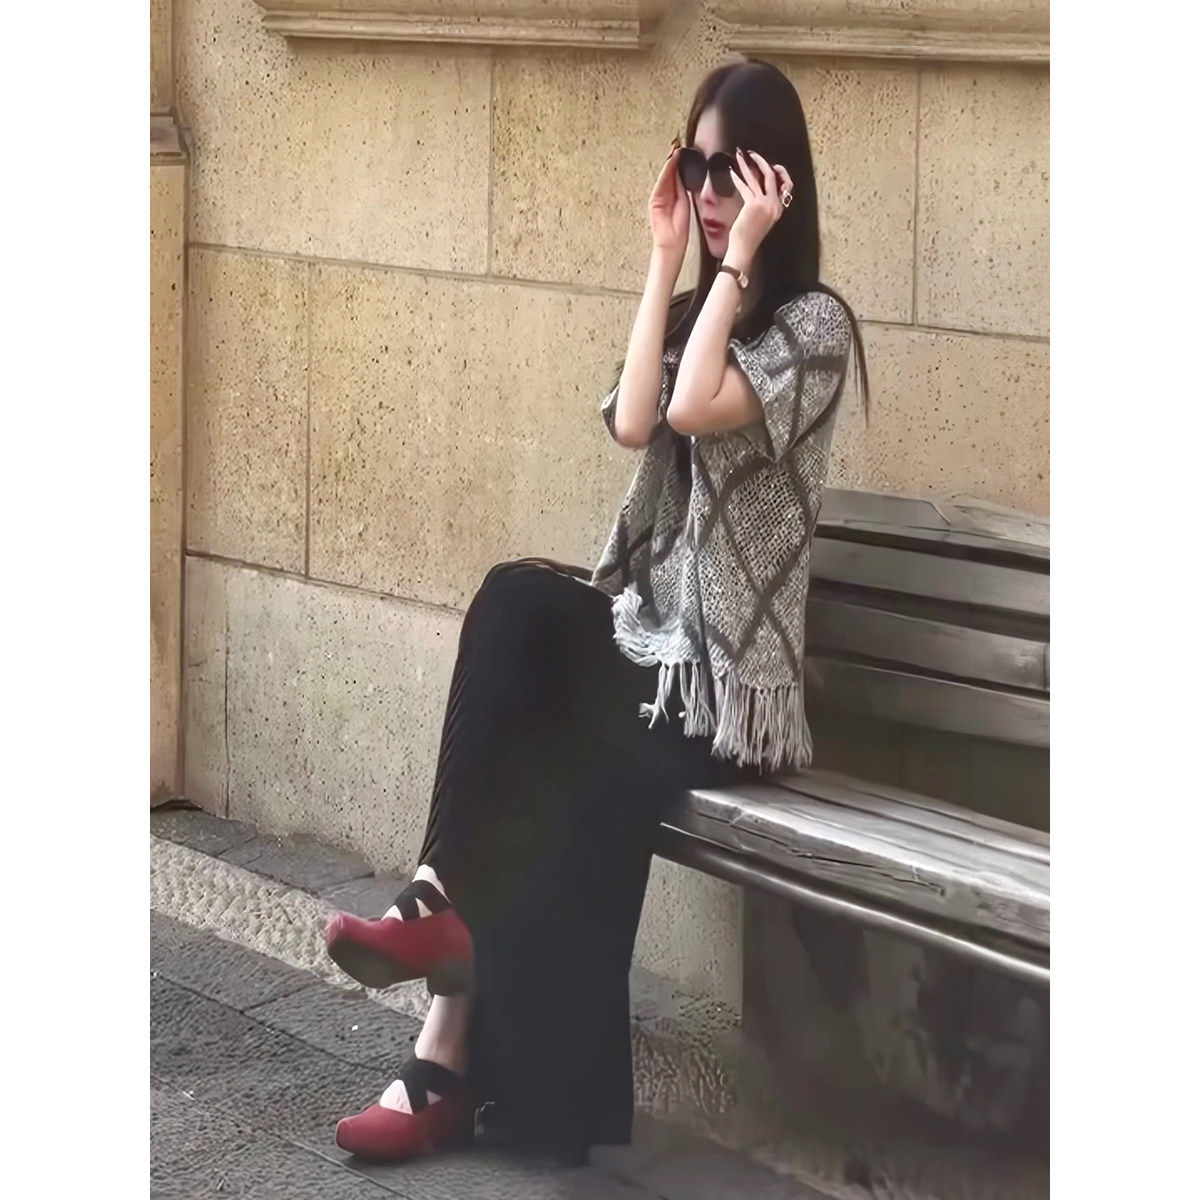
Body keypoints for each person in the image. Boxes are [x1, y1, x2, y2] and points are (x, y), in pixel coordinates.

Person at [321, 56, 870, 1169]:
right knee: (517, 608)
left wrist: (736, 261)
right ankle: (447, 955)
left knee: (541, 683)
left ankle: (445, 1039)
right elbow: (631, 422)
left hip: (726, 700)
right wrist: (667, 254)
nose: (707, 191)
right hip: (654, 660)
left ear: (777, 182)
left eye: (731, 171)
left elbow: (688, 405)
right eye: (694, 167)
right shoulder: (705, 305)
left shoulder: (812, 328)